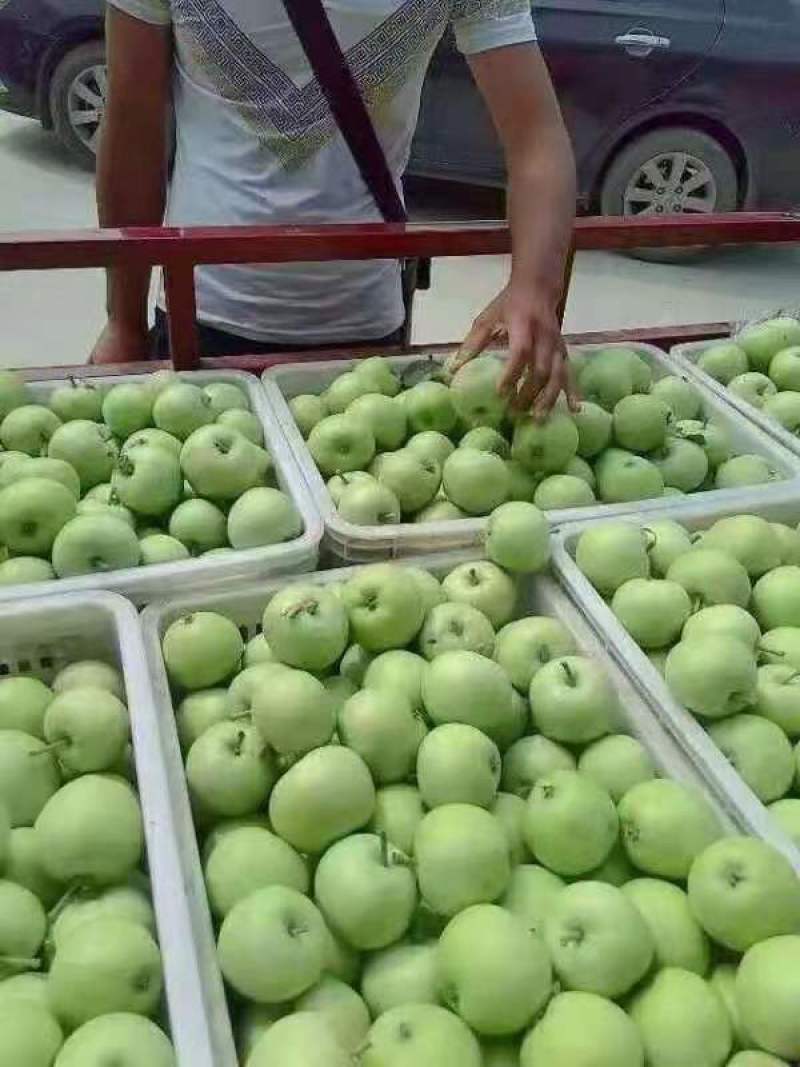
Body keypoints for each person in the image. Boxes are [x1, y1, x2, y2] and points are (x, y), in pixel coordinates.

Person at [93, 0, 576, 415]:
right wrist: (124, 321)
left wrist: (535, 285)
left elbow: (536, 139)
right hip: (197, 318)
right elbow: (133, 121)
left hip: (365, 335)